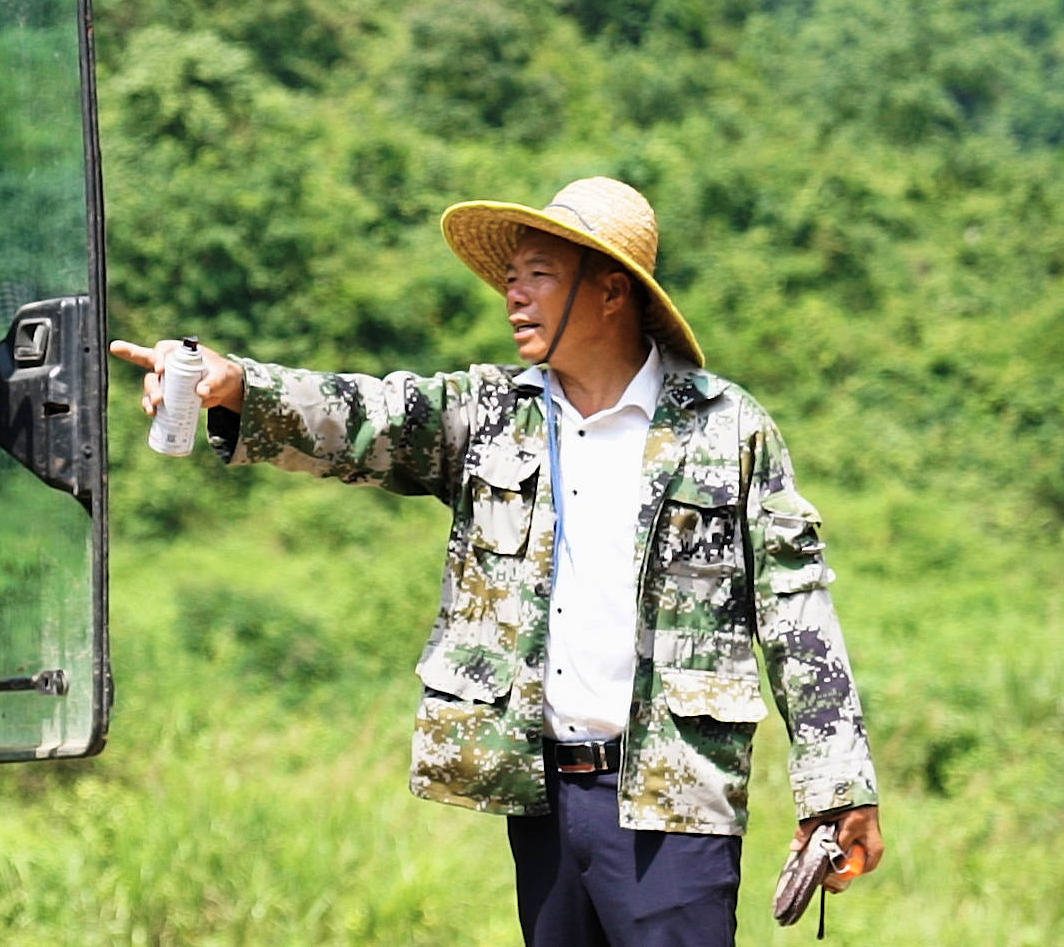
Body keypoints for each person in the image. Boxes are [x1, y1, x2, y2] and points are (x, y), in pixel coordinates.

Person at [111, 177, 883, 946]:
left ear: (612, 291)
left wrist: (838, 785)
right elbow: (360, 413)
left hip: (669, 801)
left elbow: (797, 611)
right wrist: (238, 384)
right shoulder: (488, 414)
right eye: (510, 279)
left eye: (538, 277)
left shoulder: (724, 429)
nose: (514, 297)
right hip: (543, 796)